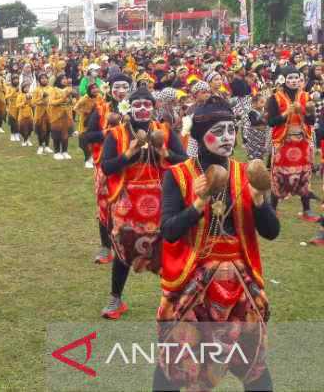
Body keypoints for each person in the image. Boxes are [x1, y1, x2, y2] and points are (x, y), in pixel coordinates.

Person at [154, 96, 278, 391]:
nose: (227, 138)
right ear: (199, 135)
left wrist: (260, 199)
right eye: (218, 131)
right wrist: (198, 202)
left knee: (254, 366)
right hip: (193, 281)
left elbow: (271, 232)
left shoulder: (245, 172)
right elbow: (169, 231)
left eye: (231, 130)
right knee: (172, 364)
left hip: (239, 281)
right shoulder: (179, 175)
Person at [100, 86, 186, 319]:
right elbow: (106, 167)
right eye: (137, 105)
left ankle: (173, 300)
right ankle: (115, 298)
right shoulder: (117, 134)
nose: (142, 109)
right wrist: (128, 155)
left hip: (161, 200)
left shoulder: (165, 132)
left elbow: (185, 161)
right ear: (129, 108)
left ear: (154, 107)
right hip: (128, 201)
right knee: (123, 249)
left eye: (147, 105)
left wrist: (166, 155)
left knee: (166, 249)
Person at [83, 73, 132, 265]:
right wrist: (107, 133)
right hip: (105, 166)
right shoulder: (101, 109)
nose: (121, 91)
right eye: (117, 87)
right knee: (104, 205)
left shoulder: (138, 108)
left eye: (125, 87)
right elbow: (88, 136)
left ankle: (131, 244)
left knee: (131, 204)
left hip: (130, 165)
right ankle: (106, 246)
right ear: (109, 88)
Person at [266, 66, 316, 219]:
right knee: (278, 175)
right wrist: (285, 114)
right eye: (290, 78)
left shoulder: (306, 97)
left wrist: (302, 111)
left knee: (304, 174)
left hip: (302, 142)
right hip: (283, 142)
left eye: (296, 78)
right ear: (284, 80)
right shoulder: (274, 98)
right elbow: (271, 122)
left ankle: (306, 210)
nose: (294, 81)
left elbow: (312, 121)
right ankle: (272, 209)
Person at [48, 74, 75, 160]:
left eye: (65, 78)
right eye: (62, 79)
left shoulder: (68, 89)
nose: (64, 80)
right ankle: (56, 152)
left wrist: (72, 99)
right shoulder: (54, 90)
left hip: (67, 115)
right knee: (57, 134)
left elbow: (72, 101)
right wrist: (63, 99)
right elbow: (52, 102)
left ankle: (65, 151)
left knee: (65, 134)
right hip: (57, 116)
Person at [32, 73, 53, 155]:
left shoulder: (51, 89)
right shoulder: (36, 90)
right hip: (40, 113)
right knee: (40, 130)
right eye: (42, 78)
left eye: (45, 78)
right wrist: (42, 98)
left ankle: (47, 146)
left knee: (48, 129)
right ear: (39, 80)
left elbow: (52, 99)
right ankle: (40, 146)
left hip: (49, 112)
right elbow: (33, 102)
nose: (44, 80)